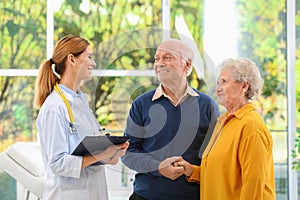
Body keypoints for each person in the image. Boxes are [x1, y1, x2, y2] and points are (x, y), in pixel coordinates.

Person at [121, 38, 219, 200]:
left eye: (168, 58)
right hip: (146, 197)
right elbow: (128, 152)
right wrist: (158, 167)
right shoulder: (141, 104)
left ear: (187, 65)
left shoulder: (207, 106)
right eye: (157, 58)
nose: (159, 63)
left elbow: (216, 157)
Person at [34, 35, 129, 200]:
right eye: (89, 57)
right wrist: (101, 155)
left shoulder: (80, 101)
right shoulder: (54, 107)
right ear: (72, 59)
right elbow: (57, 163)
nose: (94, 63)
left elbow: (89, 150)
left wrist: (110, 155)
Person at [177, 58, 276, 200]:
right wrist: (191, 170)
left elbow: (253, 186)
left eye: (224, 82)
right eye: (218, 83)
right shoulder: (223, 122)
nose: (218, 89)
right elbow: (220, 173)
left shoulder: (251, 126)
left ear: (244, 86)